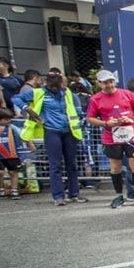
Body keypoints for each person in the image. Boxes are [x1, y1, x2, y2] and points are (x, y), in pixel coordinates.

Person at [14, 70, 85, 206]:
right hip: (52, 131)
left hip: (69, 131)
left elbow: (72, 110)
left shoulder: (66, 93)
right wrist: (27, 109)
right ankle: (58, 196)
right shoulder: (39, 92)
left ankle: (74, 194)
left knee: (72, 164)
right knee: (55, 165)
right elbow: (16, 98)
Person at [86, 70, 134, 208]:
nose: (109, 85)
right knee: (115, 167)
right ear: (99, 83)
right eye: (105, 82)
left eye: (111, 81)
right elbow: (90, 118)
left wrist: (131, 119)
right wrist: (106, 123)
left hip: (131, 135)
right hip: (111, 137)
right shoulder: (95, 99)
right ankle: (119, 195)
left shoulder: (126, 94)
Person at [0, 107, 35, 199]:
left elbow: (23, 134)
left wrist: (30, 144)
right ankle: (1, 189)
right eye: (6, 119)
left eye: (10, 119)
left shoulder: (12, 127)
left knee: (13, 172)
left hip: (12, 155)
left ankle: (14, 190)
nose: (9, 121)